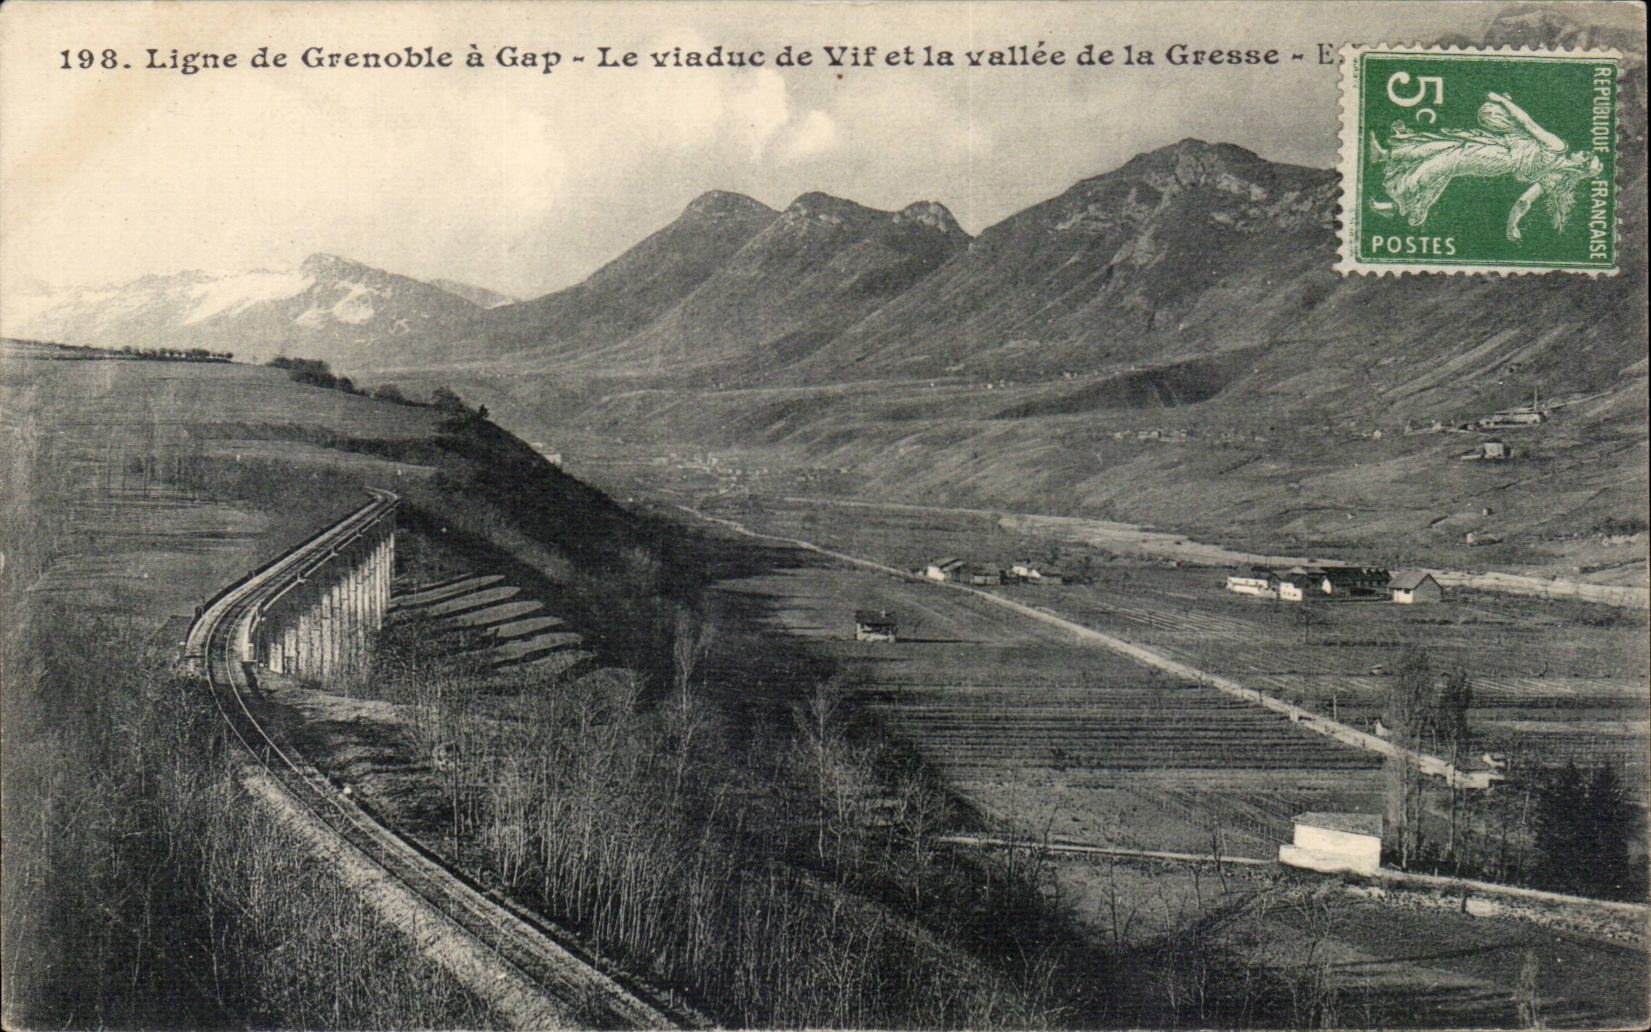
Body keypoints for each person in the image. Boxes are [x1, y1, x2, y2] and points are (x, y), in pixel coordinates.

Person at [1368, 91, 1602, 240]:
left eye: (1588, 155)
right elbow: (1523, 202)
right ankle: (1394, 188)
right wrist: (1512, 227)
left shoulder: (1558, 146)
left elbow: (1528, 124)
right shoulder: (1555, 178)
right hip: (1499, 152)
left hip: (1499, 156)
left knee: (1445, 161)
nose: (1585, 151)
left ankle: (1396, 192)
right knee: (1446, 147)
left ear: (1582, 165)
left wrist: (1503, 103)